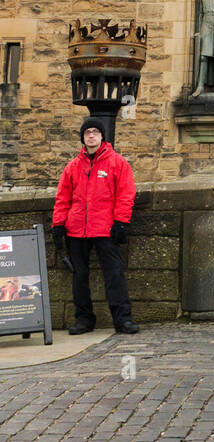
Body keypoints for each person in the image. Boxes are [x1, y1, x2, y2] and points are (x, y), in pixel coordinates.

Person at [51, 117, 138, 335]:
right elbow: (63, 198)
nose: (91, 135)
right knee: (79, 276)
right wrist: (58, 225)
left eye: (95, 132)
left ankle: (123, 319)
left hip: (104, 228)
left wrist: (121, 222)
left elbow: (126, 194)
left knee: (114, 275)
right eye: (87, 132)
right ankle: (84, 319)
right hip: (76, 229)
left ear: (101, 136)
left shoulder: (117, 163)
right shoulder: (72, 166)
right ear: (83, 137)